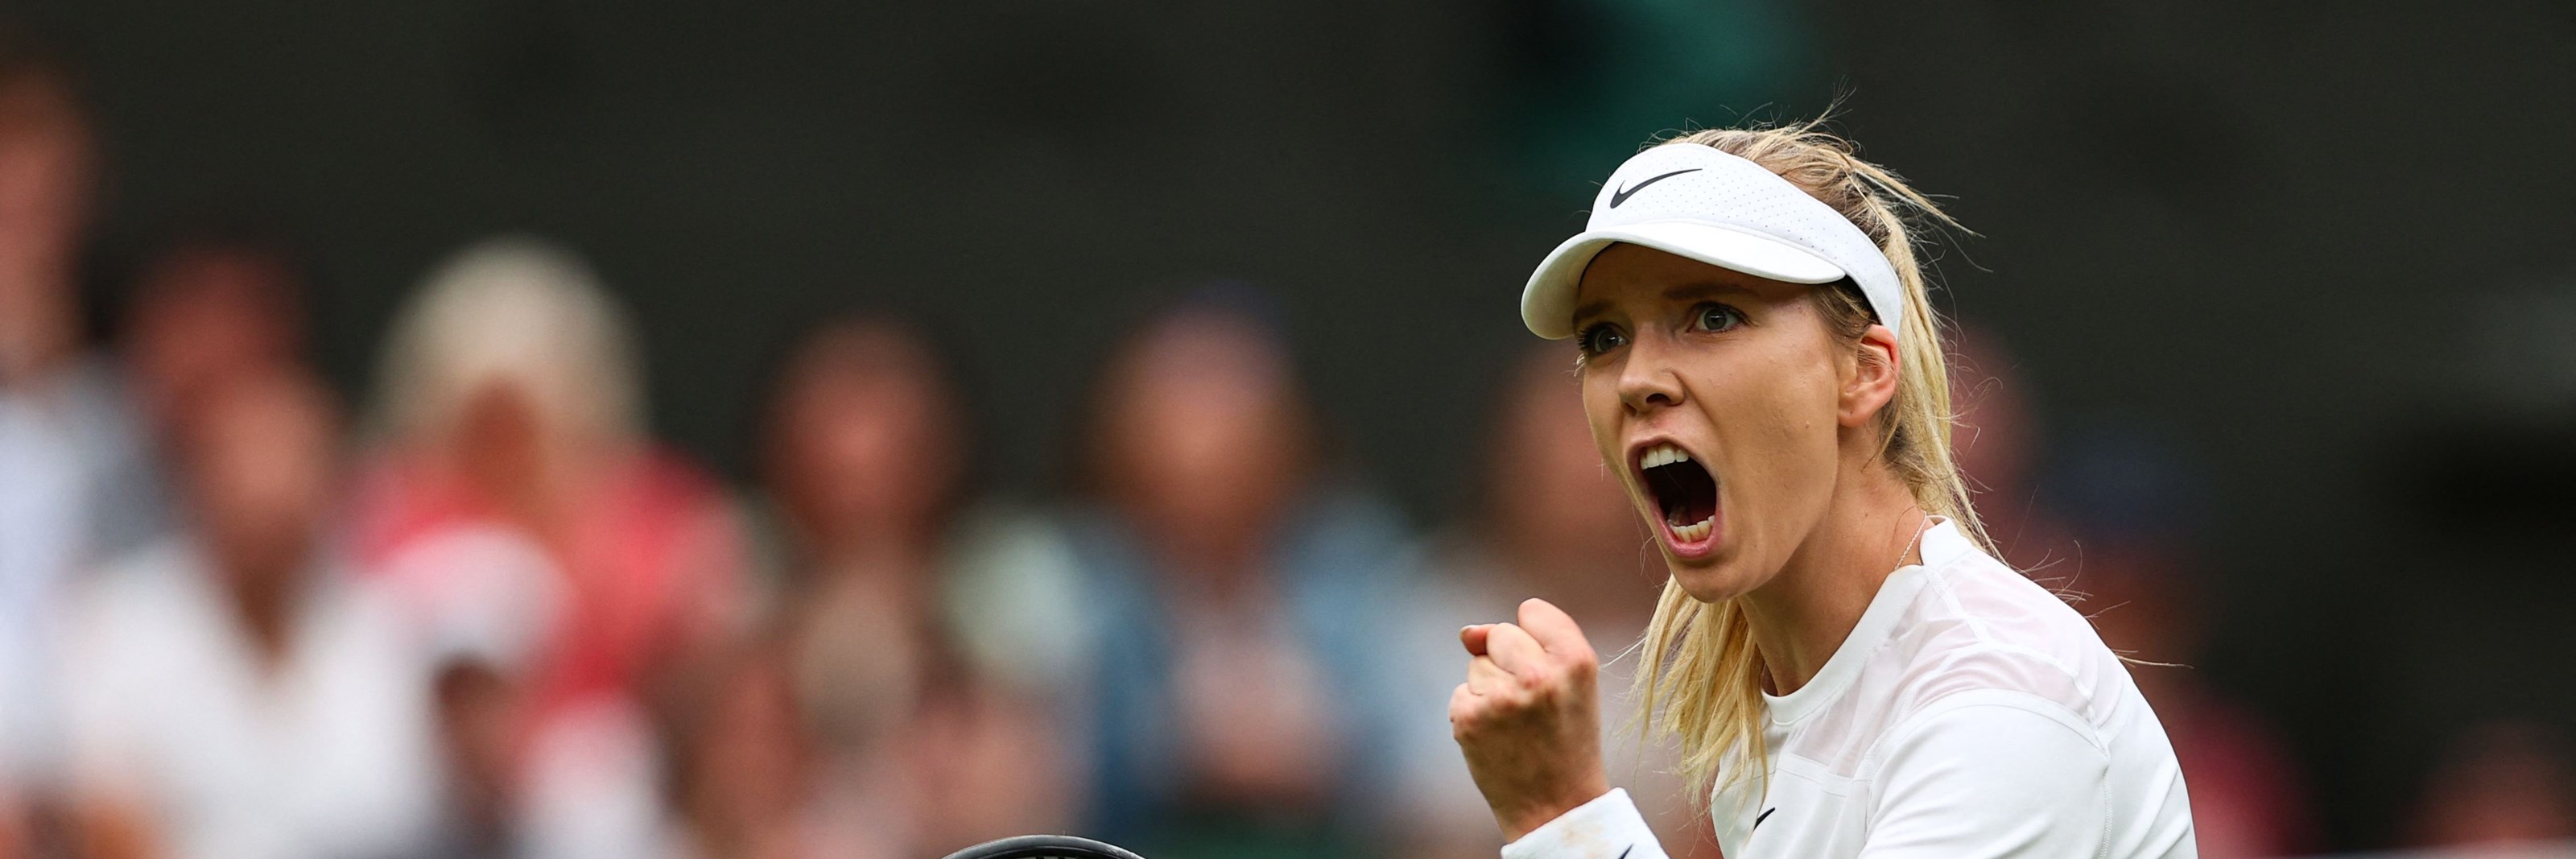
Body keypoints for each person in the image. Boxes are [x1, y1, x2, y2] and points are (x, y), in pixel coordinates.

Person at [1447, 120, 2198, 858]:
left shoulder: (1994, 703)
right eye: (1604, 337)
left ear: (1865, 371)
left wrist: (1563, 814)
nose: (1637, 378)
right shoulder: (1784, 712)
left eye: (1713, 316)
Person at [59, 367, 440, 859]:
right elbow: (103, 820)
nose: (262, 491)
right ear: (194, 483)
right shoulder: (115, 621)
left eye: (291, 465)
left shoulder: (390, 626)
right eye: (239, 465)